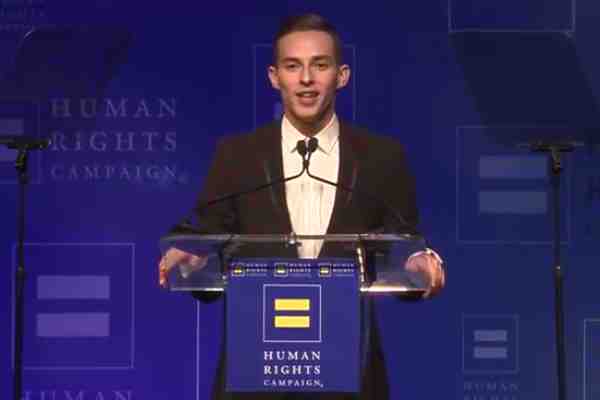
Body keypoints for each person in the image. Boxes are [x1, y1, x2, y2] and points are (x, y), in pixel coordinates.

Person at [159, 13, 445, 400]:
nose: (306, 79)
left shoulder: (382, 158)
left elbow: (402, 244)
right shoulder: (237, 156)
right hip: (257, 376)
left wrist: (418, 264)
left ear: (341, 76)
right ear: (274, 77)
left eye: (319, 65)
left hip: (350, 378)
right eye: (293, 66)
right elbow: (206, 235)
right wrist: (192, 259)